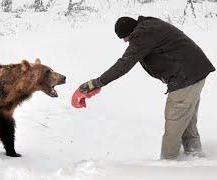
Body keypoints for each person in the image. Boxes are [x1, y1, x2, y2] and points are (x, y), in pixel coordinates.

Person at [74, 16, 215, 159]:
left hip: (185, 76)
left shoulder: (142, 34)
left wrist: (96, 83)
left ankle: (169, 164)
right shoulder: (150, 25)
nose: (125, 41)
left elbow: (124, 64)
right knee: (185, 117)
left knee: (175, 118)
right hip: (195, 71)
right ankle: (194, 154)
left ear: (131, 31)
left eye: (125, 37)